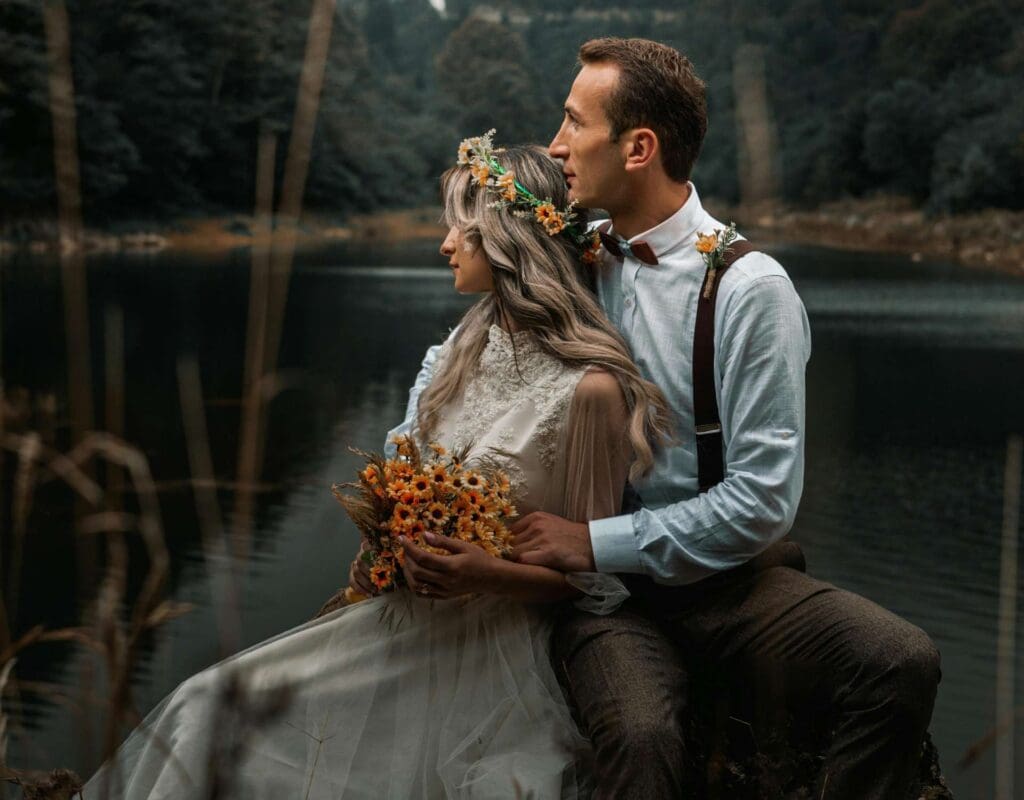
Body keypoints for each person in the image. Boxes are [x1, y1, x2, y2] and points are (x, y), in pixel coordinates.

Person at [390, 39, 941, 800]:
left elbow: (763, 501)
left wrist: (589, 540)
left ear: (639, 147)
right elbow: (465, 353)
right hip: (606, 601)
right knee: (643, 736)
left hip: (729, 587)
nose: (556, 144)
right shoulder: (568, 253)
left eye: (574, 123)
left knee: (899, 659)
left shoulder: (752, 291)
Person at [83, 140, 671, 799]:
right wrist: (384, 542)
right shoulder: (460, 348)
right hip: (398, 617)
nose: (446, 243)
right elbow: (404, 474)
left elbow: (595, 582)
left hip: (492, 646)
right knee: (204, 707)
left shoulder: (590, 390)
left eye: (461, 228)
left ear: (507, 241)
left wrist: (489, 573)